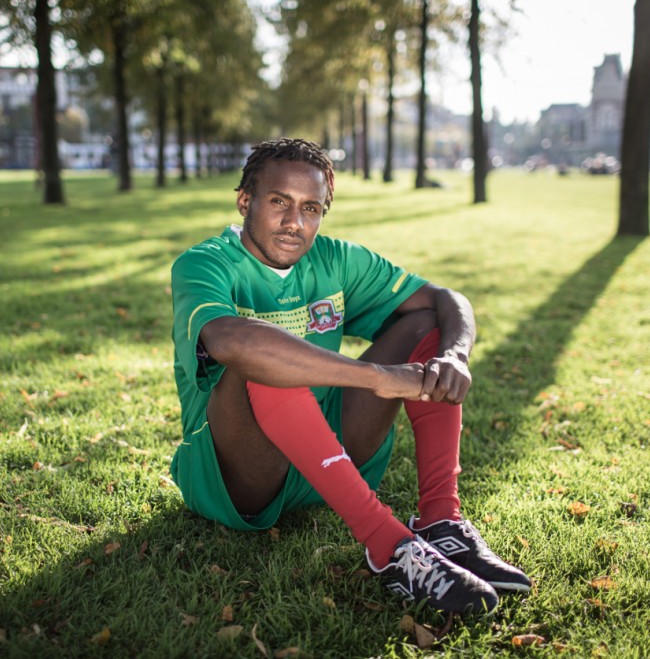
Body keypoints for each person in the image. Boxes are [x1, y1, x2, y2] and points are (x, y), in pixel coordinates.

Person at [169, 137, 530, 617]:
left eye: (311, 208)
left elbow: (445, 299)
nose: (295, 222)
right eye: (280, 202)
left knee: (426, 325)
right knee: (259, 356)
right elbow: (229, 340)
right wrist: (378, 377)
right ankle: (388, 546)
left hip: (328, 457)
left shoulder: (335, 260)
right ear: (244, 201)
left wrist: (456, 355)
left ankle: (441, 521)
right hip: (240, 474)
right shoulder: (205, 262)